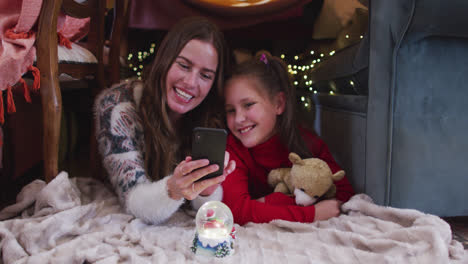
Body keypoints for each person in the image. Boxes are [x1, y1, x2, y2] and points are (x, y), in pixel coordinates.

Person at [94, 17, 236, 225]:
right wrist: (173, 189)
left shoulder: (209, 114)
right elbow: (134, 202)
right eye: (184, 65)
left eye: (205, 75)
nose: (190, 83)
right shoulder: (118, 107)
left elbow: (206, 210)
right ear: (165, 59)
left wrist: (206, 190)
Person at [222, 51, 354, 225]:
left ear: (278, 104)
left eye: (248, 105)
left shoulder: (306, 143)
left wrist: (266, 203)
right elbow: (235, 211)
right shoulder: (232, 148)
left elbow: (343, 194)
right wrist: (310, 213)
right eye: (231, 110)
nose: (238, 118)